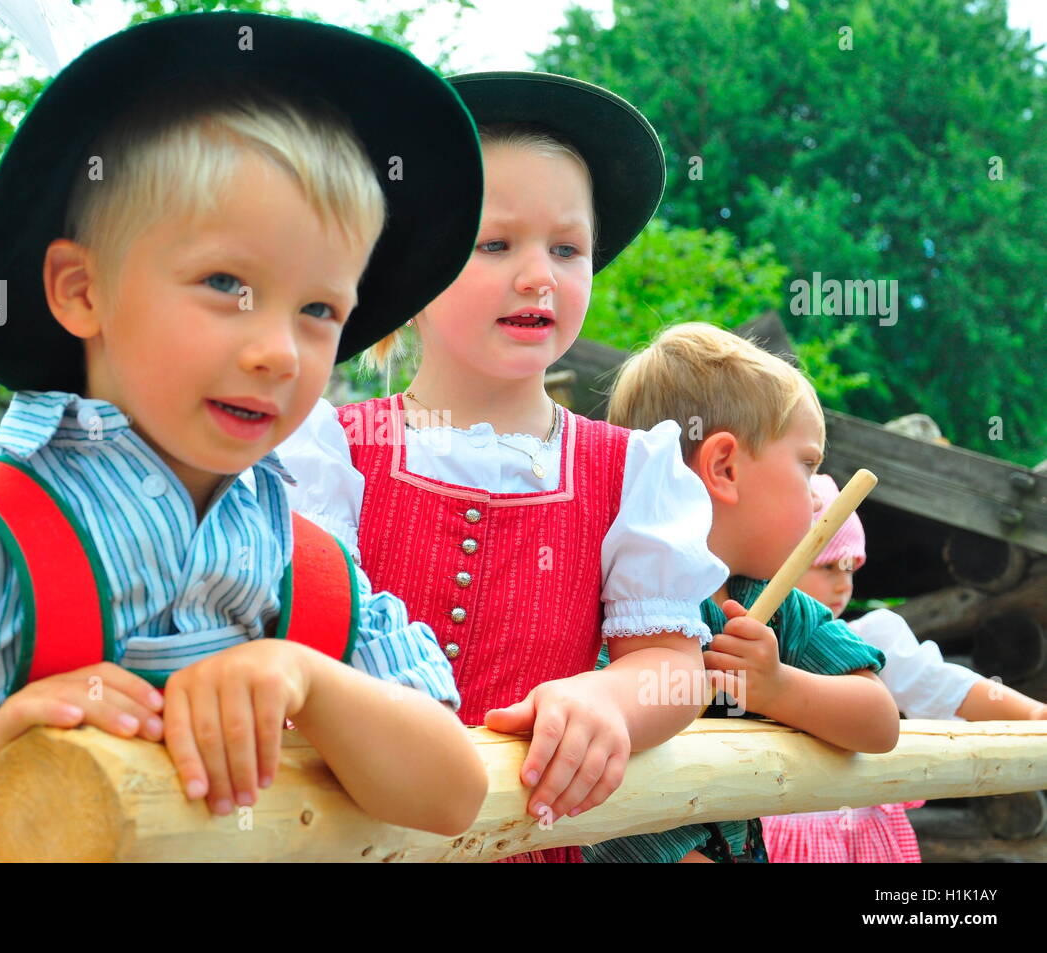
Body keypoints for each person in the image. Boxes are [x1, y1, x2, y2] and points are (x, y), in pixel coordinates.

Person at [0, 11, 492, 862]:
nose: (278, 350)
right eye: (225, 282)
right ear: (80, 290)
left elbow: (452, 792)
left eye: (319, 309)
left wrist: (310, 679)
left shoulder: (309, 575)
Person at [276, 72, 730, 863]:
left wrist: (607, 701)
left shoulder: (630, 471)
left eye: (567, 248)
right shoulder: (327, 454)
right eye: (494, 244)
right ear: (409, 273)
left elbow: (669, 664)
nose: (538, 276)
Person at [584, 322, 900, 863]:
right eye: (807, 465)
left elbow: (879, 721)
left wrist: (777, 688)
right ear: (724, 467)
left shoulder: (783, 609)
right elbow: (604, 797)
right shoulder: (620, 609)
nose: (815, 494)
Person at [760, 473, 1047, 863]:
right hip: (767, 837)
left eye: (851, 569)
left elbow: (941, 685)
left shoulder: (868, 639)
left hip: (857, 838)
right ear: (779, 564)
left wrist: (1032, 714)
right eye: (829, 568)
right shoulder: (747, 642)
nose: (844, 585)